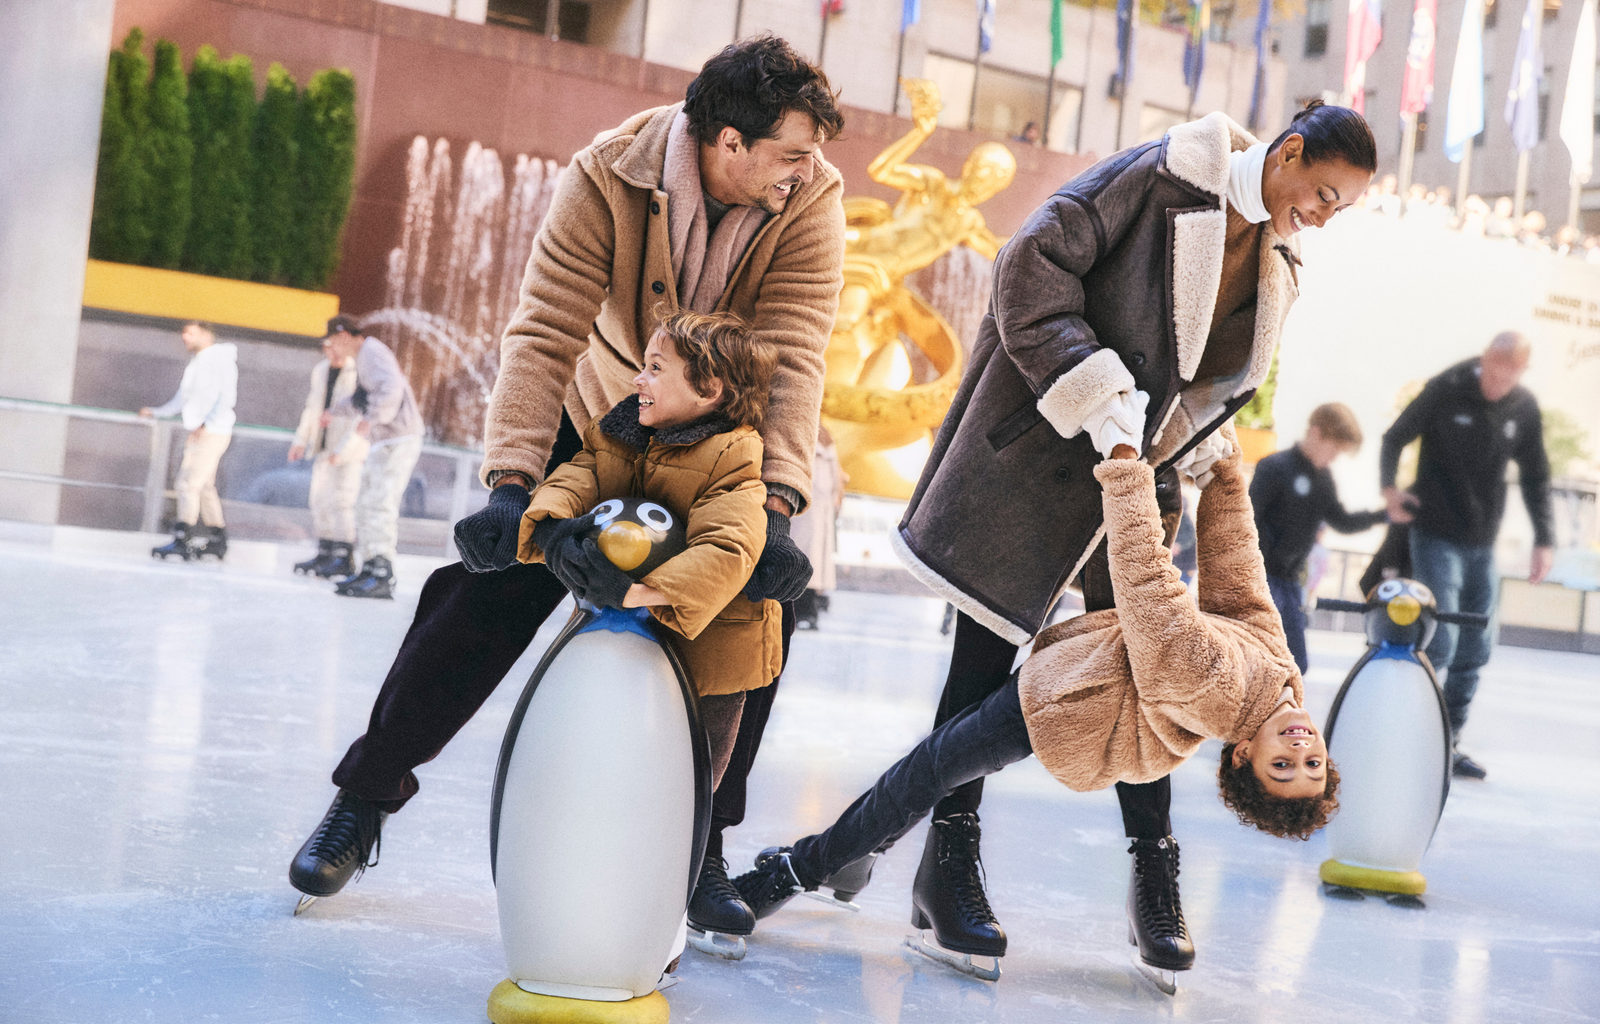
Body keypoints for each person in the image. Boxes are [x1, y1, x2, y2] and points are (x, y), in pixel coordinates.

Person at [288, 37, 846, 944]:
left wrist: (777, 503)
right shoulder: (608, 174)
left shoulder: (811, 198)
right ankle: (367, 793)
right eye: (788, 151)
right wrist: (514, 483)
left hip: (723, 442)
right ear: (727, 142)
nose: (805, 170)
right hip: (604, 413)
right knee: (482, 596)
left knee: (749, 609)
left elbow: (794, 354)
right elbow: (545, 329)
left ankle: (702, 845)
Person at [887, 100, 1375, 976]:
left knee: (1160, 682)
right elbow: (1027, 267)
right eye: (1326, 192)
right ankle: (944, 867)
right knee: (980, 664)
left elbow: (1208, 376)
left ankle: (1155, 878)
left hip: (1134, 485)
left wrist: (1196, 432)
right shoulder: (1157, 178)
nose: (1327, 216)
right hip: (1038, 459)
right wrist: (1093, 388)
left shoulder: (1281, 254)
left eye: (1345, 207)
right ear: (1290, 151)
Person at [735, 442, 1339, 972]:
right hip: (1103, 692)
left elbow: (1151, 593)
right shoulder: (1281, 679)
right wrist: (1227, 478)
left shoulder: (1222, 691)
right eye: (1311, 763)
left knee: (930, 770)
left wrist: (1126, 468)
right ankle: (848, 860)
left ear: (1241, 756)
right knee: (935, 768)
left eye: (1281, 767)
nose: (1299, 749)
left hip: (1066, 705)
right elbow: (1239, 575)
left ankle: (795, 870)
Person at [519, 311, 781, 793]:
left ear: (707, 391)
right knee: (609, 763)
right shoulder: (620, 430)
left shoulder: (734, 455)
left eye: (656, 368)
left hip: (712, 655)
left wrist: (631, 592)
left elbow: (728, 547)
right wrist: (552, 525)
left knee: (687, 782)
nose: (639, 378)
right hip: (628, 633)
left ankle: (689, 857)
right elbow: (582, 475)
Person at [1379, 332, 1553, 781]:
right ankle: (1410, 734)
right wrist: (1389, 489)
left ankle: (1448, 741)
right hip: (1434, 532)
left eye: (1507, 377)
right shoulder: (1447, 386)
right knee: (1441, 640)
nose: (1496, 385)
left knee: (1476, 646)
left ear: (1521, 373)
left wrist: (1544, 540)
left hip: (1482, 543)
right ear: (1483, 362)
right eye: (1492, 373)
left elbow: (1536, 476)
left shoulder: (1524, 408)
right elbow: (1395, 436)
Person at [1249, 403, 1386, 672]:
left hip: (1290, 583)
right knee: (1259, 659)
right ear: (1316, 433)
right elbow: (1248, 521)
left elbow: (1342, 521)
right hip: (1261, 579)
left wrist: (1384, 516)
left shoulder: (1323, 479)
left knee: (1296, 664)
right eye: (1333, 449)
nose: (1334, 458)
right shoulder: (1274, 468)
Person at [314, 316, 424, 599]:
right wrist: (335, 411)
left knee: (378, 503)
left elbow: (391, 388)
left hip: (397, 439)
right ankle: (370, 566)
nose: (333, 346)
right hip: (386, 440)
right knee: (365, 503)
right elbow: (360, 398)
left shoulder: (372, 352)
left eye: (334, 340)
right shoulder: (365, 358)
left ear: (346, 335)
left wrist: (373, 419)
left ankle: (381, 572)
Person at [140, 321, 237, 561]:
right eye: (183, 332)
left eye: (190, 333)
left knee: (188, 482)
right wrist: (159, 412)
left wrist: (206, 422)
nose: (185, 337)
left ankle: (184, 537)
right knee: (204, 486)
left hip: (210, 431)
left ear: (206, 335)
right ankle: (217, 538)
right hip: (204, 429)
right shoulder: (200, 361)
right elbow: (184, 397)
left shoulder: (216, 360)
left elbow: (223, 395)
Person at [288, 325, 367, 579]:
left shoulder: (358, 372)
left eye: (334, 345)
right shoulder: (321, 371)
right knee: (319, 501)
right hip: (323, 448)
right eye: (327, 346)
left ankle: (344, 557)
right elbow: (312, 408)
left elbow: (362, 416)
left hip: (347, 451)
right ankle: (325, 552)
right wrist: (301, 440)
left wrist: (344, 450)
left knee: (341, 503)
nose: (331, 351)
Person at [789, 424, 844, 629]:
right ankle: (805, 610)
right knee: (806, 555)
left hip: (818, 507)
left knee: (813, 558)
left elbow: (834, 478)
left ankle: (807, 610)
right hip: (808, 505)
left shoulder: (825, 437)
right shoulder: (812, 433)